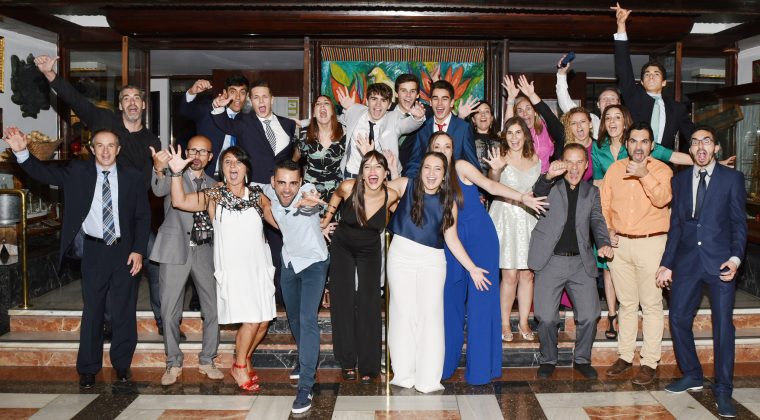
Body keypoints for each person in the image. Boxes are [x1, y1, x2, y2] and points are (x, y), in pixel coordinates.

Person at [5, 127, 150, 388]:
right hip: (94, 251)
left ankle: (121, 364)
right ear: (92, 149)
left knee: (123, 311)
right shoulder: (77, 172)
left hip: (124, 251)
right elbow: (44, 173)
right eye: (100, 145)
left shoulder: (134, 176)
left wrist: (139, 249)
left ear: (118, 149)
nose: (105, 151)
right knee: (93, 310)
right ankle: (88, 368)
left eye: (111, 145)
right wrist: (21, 152)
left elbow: (142, 216)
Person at [34, 54, 163, 340]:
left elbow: (151, 188)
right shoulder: (104, 121)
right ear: (120, 106)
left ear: (143, 105)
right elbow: (76, 100)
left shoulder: (152, 142)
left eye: (136, 98)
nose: (131, 102)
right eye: (125, 98)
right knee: (100, 275)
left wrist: (162, 170)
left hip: (131, 217)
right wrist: (50, 74)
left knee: (157, 262)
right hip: (100, 214)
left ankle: (162, 318)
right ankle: (104, 322)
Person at [426, 132, 547, 385]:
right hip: (451, 244)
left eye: (447, 146)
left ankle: (481, 371)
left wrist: (522, 197)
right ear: (429, 149)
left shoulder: (461, 167)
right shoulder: (429, 176)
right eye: (437, 146)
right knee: (450, 306)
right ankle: (444, 367)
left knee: (481, 306)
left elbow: (490, 186)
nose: (443, 150)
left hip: (481, 240)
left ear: (453, 149)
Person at [166, 145, 277, 391]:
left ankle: (245, 357)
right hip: (234, 268)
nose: (233, 166)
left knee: (263, 322)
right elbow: (179, 201)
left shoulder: (258, 195)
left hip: (259, 266)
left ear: (246, 167)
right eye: (228, 162)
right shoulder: (213, 196)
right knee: (250, 320)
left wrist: (312, 222)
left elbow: (279, 222)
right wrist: (175, 174)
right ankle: (238, 366)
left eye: (238, 162)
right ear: (222, 168)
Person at [656, 126, 747, 418]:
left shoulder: (732, 179)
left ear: (716, 147)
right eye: (694, 143)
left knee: (723, 327)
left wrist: (735, 259)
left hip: (721, 263)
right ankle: (693, 373)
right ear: (690, 150)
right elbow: (676, 227)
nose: (701, 147)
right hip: (687, 263)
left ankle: (723, 390)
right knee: (678, 317)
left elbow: (738, 224)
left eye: (706, 141)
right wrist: (666, 262)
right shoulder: (679, 180)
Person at [386, 152, 489, 393]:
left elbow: (451, 238)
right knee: (402, 314)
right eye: (427, 168)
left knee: (430, 317)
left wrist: (472, 267)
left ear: (444, 175)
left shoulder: (449, 200)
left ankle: (428, 379)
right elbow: (373, 196)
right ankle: (403, 374)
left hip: (432, 261)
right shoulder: (404, 185)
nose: (431, 174)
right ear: (420, 170)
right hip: (400, 257)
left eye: (438, 169)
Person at [528, 144, 614, 379]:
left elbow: (597, 220)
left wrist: (604, 242)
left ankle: (582, 359)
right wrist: (548, 176)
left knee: (589, 315)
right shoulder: (551, 185)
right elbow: (538, 190)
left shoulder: (591, 192)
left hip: (580, 263)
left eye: (579, 162)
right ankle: (548, 358)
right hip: (550, 260)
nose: (574, 167)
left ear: (586, 165)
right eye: (569, 162)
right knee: (545, 317)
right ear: (561, 163)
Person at [211, 80, 296, 306]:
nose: (260, 101)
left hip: (282, 192)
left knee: (280, 244)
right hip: (254, 193)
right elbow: (222, 122)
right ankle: (254, 297)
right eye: (256, 97)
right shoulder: (243, 122)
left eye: (264, 97)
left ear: (272, 99)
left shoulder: (288, 125)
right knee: (254, 245)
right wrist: (219, 106)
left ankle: (280, 297)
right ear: (251, 100)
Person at [601, 121, 672, 385]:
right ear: (627, 144)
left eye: (644, 141)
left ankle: (650, 361)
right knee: (627, 304)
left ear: (652, 145)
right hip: (620, 245)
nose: (638, 146)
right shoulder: (615, 169)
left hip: (651, 243)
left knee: (651, 304)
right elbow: (604, 205)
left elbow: (663, 199)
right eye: (634, 141)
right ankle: (625, 356)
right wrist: (607, 230)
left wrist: (643, 174)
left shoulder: (662, 170)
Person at [149, 135, 223, 386]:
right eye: (193, 150)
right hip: (174, 248)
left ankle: (208, 359)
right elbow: (158, 189)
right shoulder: (174, 175)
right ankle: (173, 363)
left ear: (210, 157)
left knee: (213, 309)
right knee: (170, 311)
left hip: (205, 251)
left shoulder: (216, 185)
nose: (197, 155)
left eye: (203, 151)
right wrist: (160, 167)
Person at [258, 160, 329, 414]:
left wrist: (310, 199)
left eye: (293, 183)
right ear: (273, 182)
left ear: (300, 182)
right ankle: (304, 359)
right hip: (289, 263)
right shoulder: (269, 191)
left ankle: (306, 386)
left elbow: (312, 197)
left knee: (308, 318)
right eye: (282, 183)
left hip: (314, 263)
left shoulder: (306, 193)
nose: (287, 189)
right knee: (294, 318)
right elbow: (252, 186)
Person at [322, 151, 399, 385]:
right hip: (342, 245)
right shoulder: (348, 187)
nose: (373, 171)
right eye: (368, 167)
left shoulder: (392, 195)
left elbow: (405, 221)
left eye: (378, 167)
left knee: (370, 303)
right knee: (343, 301)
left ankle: (369, 365)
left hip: (370, 249)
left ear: (386, 173)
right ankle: (347, 362)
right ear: (361, 172)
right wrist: (325, 222)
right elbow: (335, 197)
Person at [612, 3, 694, 152]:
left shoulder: (676, 109)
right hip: (633, 160)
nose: (651, 76)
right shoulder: (634, 96)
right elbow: (623, 68)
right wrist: (621, 26)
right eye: (647, 74)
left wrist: (712, 157)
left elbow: (692, 135)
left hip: (663, 165)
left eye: (656, 74)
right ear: (642, 82)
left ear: (663, 82)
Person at [487, 117, 542, 342]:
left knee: (527, 274)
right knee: (509, 274)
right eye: (509, 133)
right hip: (506, 217)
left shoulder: (535, 158)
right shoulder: (500, 157)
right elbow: (492, 183)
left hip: (529, 219)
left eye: (518, 132)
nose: (514, 137)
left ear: (525, 135)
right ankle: (503, 322)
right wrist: (495, 170)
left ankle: (523, 321)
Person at [336, 83, 425, 178]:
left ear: (389, 105)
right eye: (374, 99)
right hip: (352, 175)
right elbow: (337, 119)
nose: (378, 104)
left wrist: (417, 118)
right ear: (367, 101)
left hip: (381, 177)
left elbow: (408, 125)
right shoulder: (355, 111)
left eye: (383, 100)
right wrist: (346, 109)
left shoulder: (393, 118)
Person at [403, 80, 480, 177]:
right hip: (427, 187)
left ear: (452, 102)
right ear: (430, 102)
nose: (439, 104)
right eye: (435, 99)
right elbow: (415, 162)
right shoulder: (422, 127)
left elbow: (473, 165)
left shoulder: (463, 128)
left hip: (455, 188)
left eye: (444, 99)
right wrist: (410, 184)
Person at [180, 76, 249, 176]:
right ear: (225, 93)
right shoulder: (209, 110)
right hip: (206, 175)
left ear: (247, 95)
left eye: (242, 92)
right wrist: (192, 92)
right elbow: (185, 111)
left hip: (234, 177)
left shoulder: (248, 121)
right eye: (233, 92)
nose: (238, 97)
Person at [503, 75, 564, 174]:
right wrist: (511, 99)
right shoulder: (517, 135)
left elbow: (550, 117)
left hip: (546, 178)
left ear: (535, 112)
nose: (525, 113)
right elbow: (508, 128)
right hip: (523, 180)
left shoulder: (545, 128)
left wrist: (531, 94)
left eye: (528, 108)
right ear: (517, 116)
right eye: (520, 110)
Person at [555, 56, 621, 138]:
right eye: (604, 98)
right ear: (598, 104)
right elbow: (565, 102)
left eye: (612, 98)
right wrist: (561, 74)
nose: (608, 101)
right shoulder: (590, 120)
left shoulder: (626, 124)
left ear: (619, 103)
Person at [394, 73, 432, 169]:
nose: (408, 95)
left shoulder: (428, 113)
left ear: (418, 94)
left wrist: (461, 116)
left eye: (412, 91)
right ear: (396, 93)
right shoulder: (385, 112)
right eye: (403, 91)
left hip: (415, 171)